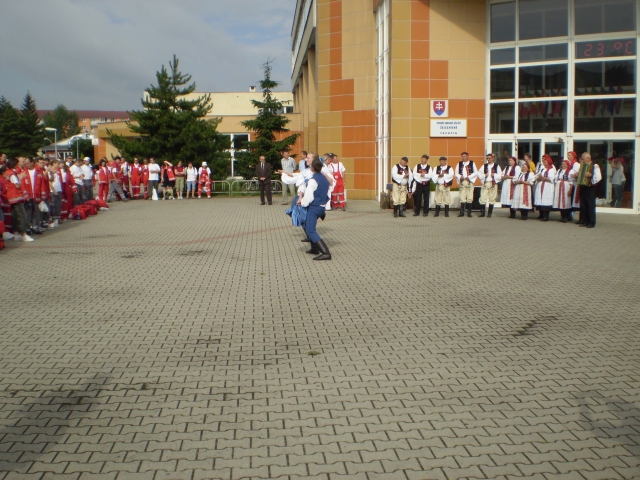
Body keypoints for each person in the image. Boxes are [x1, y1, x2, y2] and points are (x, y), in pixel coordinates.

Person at [299, 157, 331, 261]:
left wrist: (302, 202)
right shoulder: (324, 178)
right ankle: (314, 248)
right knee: (308, 225)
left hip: (314, 207)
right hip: (321, 206)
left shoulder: (313, 180)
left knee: (310, 230)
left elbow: (309, 196)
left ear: (312, 168)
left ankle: (326, 253)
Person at [2, 158, 33, 241]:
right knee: (22, 215)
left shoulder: (8, 172)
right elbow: (17, 185)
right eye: (17, 163)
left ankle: (16, 233)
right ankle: (24, 234)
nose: (18, 165)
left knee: (15, 216)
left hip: (11, 198)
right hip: (16, 197)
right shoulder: (12, 173)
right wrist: (20, 178)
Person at [578, 152, 602, 228]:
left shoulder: (595, 166)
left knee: (590, 204)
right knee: (583, 205)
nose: (582, 160)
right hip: (583, 186)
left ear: (588, 158)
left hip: (590, 187)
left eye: (583, 159)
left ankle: (591, 222)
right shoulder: (582, 165)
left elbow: (599, 177)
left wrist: (591, 175)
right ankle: (585, 221)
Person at [23, 158, 46, 234]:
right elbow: (23, 185)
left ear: (32, 162)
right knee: (28, 213)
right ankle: (28, 228)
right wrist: (26, 196)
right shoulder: (24, 172)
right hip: (28, 197)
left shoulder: (39, 172)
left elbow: (42, 184)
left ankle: (36, 227)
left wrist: (43, 195)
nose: (26, 165)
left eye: (27, 163)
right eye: (25, 163)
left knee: (37, 212)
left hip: (37, 196)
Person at [477, 153, 502, 218]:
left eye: (489, 158)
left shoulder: (497, 166)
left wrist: (494, 175)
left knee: (492, 198)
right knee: (482, 198)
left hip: (493, 183)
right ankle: (482, 213)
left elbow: (500, 175)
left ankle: (489, 213)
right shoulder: (484, 166)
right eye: (487, 158)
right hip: (486, 183)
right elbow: (479, 173)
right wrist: (484, 175)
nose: (488, 159)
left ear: (493, 158)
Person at [534, 154, 556, 222]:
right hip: (541, 185)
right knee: (540, 199)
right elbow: (538, 176)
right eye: (544, 162)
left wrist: (542, 177)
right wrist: (538, 178)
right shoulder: (543, 169)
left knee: (546, 200)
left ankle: (546, 216)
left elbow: (551, 179)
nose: (544, 163)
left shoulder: (551, 169)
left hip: (547, 186)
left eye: (545, 162)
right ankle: (541, 214)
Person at [455, 151, 477, 218]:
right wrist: (460, 176)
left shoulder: (472, 163)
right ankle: (461, 212)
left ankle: (469, 213)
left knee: (470, 197)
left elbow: (476, 172)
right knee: (462, 197)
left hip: (469, 181)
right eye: (462, 156)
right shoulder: (459, 164)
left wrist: (469, 177)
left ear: (467, 156)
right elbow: (456, 172)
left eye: (464, 156)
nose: (463, 157)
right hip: (463, 182)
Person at [553, 158, 574, 223]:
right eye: (562, 164)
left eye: (564, 164)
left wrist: (570, 190)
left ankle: (566, 217)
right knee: (560, 202)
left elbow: (571, 182)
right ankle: (562, 216)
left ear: (567, 165)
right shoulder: (559, 171)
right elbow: (556, 179)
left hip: (566, 187)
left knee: (566, 201)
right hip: (559, 187)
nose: (563, 165)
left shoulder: (570, 171)